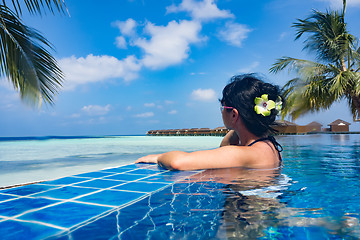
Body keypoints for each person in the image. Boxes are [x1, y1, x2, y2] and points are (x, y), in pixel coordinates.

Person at [135, 74, 283, 170]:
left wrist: (159, 157)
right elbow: (224, 148)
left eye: (223, 107)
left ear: (234, 115)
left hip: (247, 216)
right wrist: (238, 126)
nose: (221, 111)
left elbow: (177, 163)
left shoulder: (247, 153)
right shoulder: (269, 146)